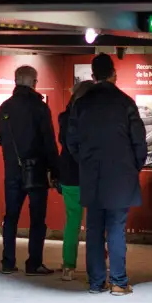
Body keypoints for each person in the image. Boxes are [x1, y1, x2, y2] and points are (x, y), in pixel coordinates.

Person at [66, 54, 146, 296]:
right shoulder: (126, 103)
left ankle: (96, 282)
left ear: (93, 76)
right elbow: (139, 141)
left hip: (92, 175)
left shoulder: (81, 104)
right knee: (116, 228)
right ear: (114, 74)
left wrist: (86, 162)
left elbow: (71, 141)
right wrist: (134, 166)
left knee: (93, 229)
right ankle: (119, 282)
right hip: (121, 176)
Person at [0, 66, 60, 276]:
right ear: (33, 82)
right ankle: (33, 263)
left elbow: (1, 139)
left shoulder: (4, 108)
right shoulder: (40, 108)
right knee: (37, 219)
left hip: (13, 170)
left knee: (11, 217)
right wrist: (55, 169)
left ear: (16, 81)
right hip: (37, 170)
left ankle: (8, 261)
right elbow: (49, 142)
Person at [56, 80, 92, 281]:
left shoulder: (64, 118)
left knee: (72, 221)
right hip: (90, 174)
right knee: (96, 222)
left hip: (69, 174)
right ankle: (95, 265)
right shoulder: (92, 119)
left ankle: (68, 266)